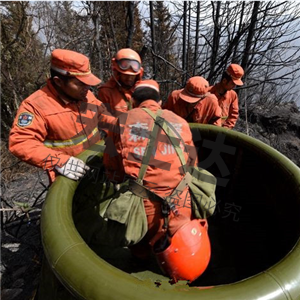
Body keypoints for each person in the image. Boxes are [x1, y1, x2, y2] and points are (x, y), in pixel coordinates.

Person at [103, 79, 211, 282]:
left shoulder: (123, 120)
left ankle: (143, 275)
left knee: (141, 250)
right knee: (181, 248)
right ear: (159, 101)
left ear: (133, 101)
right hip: (181, 202)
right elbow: (192, 164)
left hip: (142, 209)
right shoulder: (179, 121)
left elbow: (113, 169)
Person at [9, 49, 114, 183]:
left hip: (99, 166)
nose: (87, 88)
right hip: (70, 178)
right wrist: (59, 161)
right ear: (58, 81)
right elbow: (21, 143)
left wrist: (122, 129)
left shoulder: (85, 95)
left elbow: (103, 116)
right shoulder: (35, 106)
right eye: (80, 83)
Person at [98, 48, 143, 117]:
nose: (129, 78)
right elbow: (103, 120)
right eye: (125, 75)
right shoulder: (106, 92)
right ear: (118, 73)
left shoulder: (143, 90)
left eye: (132, 76)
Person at [208, 63, 244, 129]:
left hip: (221, 131)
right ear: (224, 80)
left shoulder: (233, 96)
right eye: (232, 84)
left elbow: (233, 115)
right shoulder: (208, 92)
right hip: (204, 129)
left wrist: (225, 129)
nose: (234, 86)